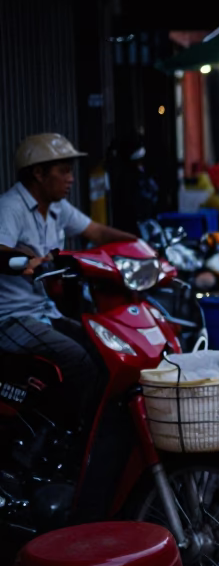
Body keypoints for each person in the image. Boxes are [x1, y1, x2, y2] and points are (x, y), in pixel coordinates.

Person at [0, 133, 136, 425]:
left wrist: (141, 247)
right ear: (38, 173)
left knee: (107, 349)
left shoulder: (57, 208)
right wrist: (28, 261)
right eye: (63, 170)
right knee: (78, 360)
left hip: (46, 312)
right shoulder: (10, 207)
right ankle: (65, 435)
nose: (71, 178)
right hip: (12, 319)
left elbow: (97, 232)